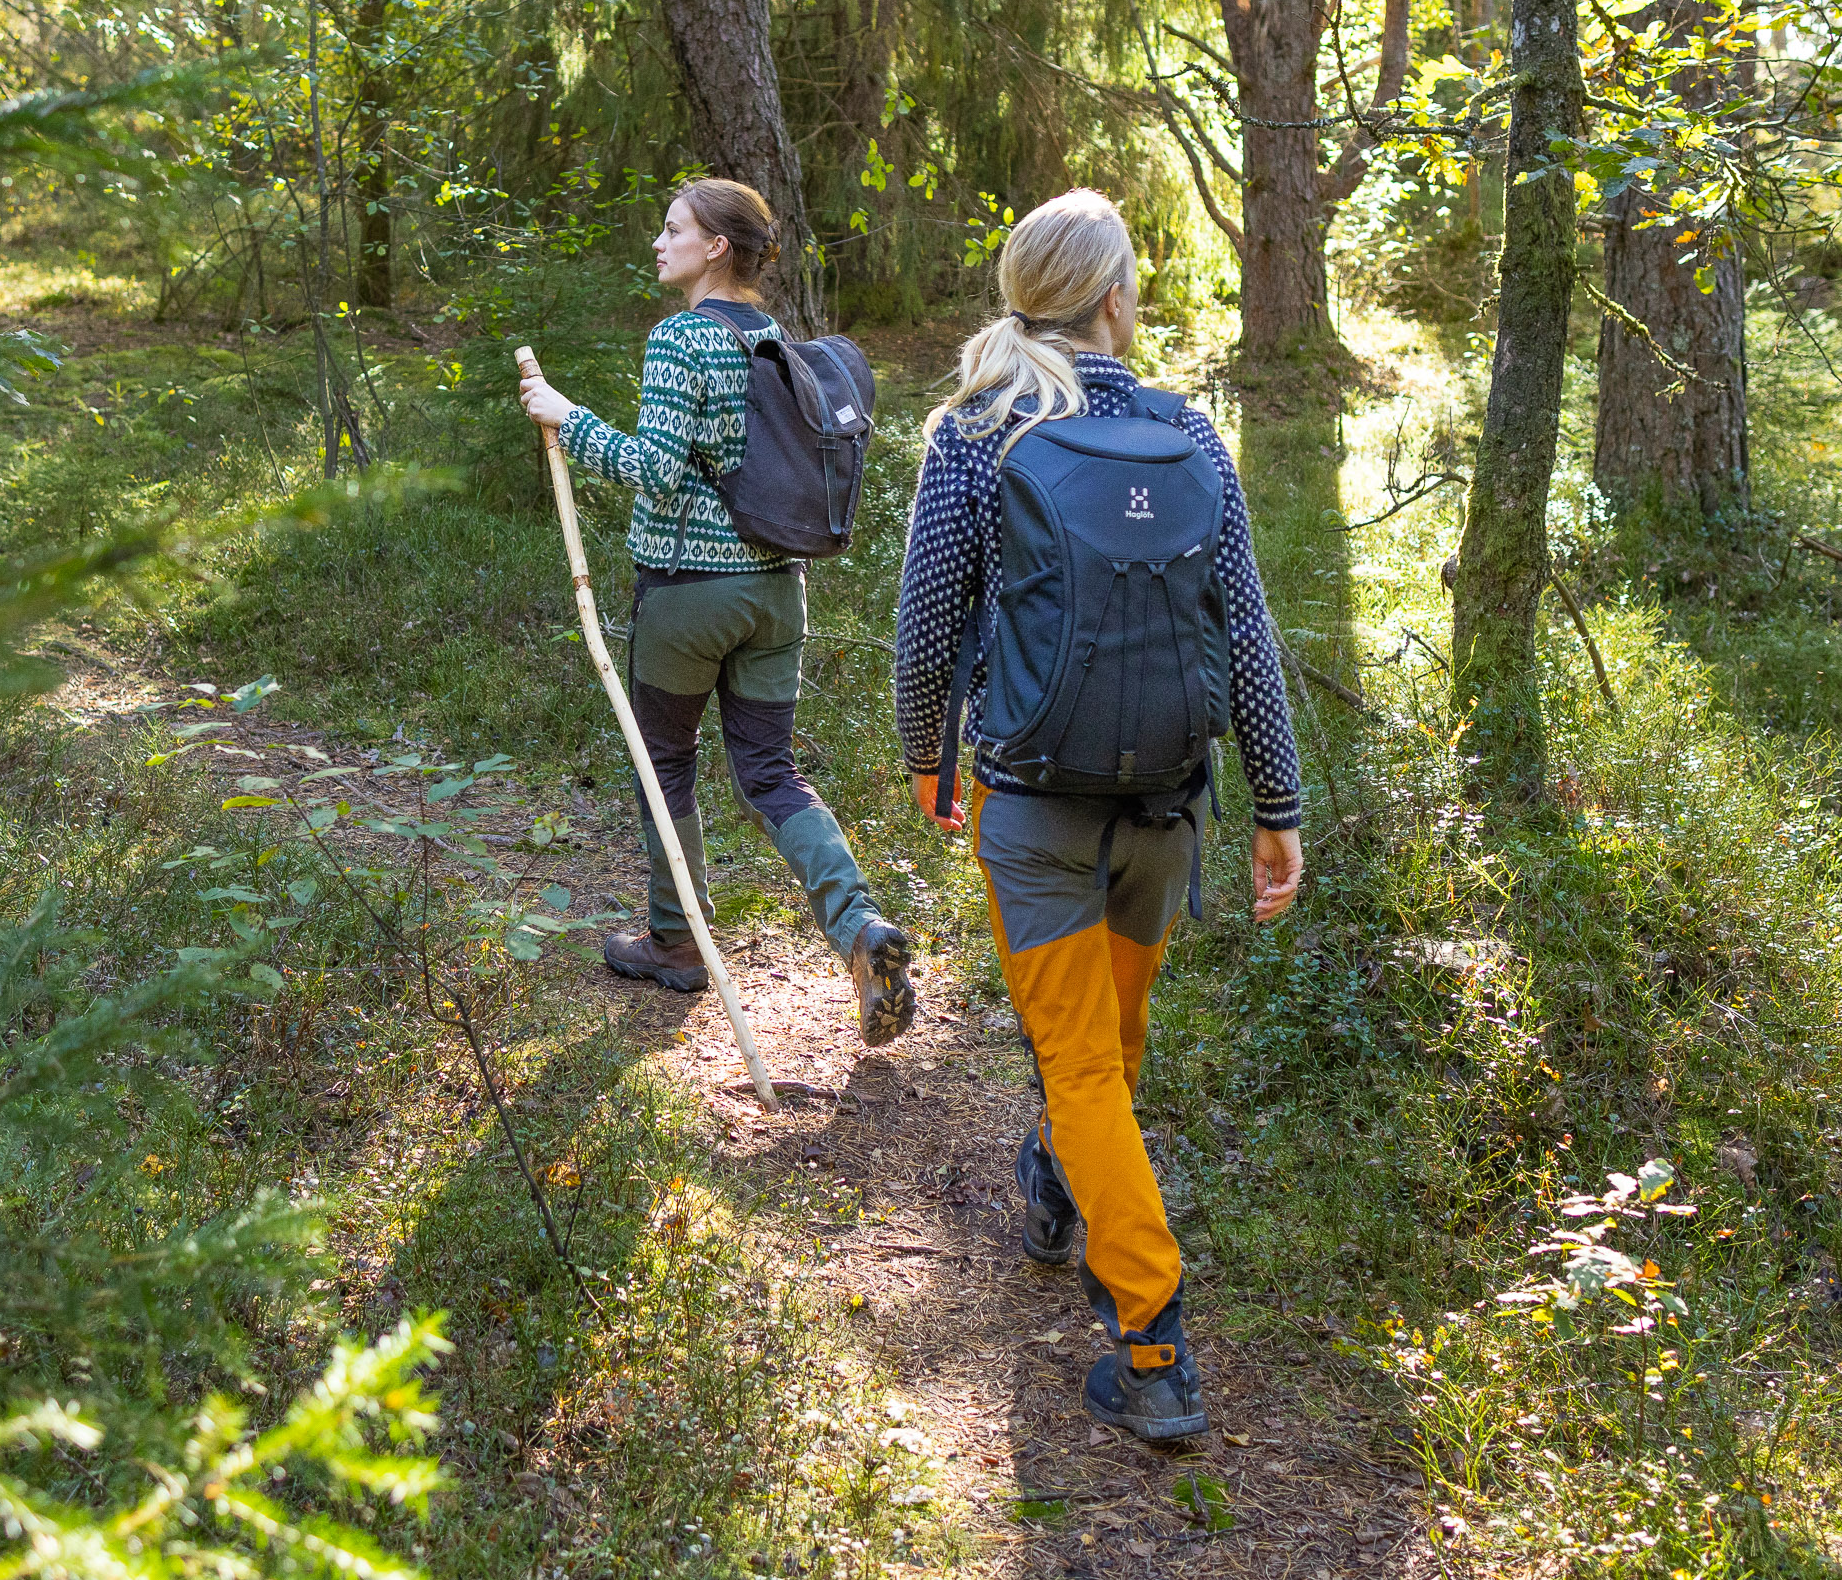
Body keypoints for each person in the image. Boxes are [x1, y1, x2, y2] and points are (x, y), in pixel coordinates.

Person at [890, 189, 1305, 1441]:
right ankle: (1060, 1179)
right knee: (1105, 1058)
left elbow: (926, 623)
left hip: (1032, 808)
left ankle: (1152, 1347)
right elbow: (1245, 630)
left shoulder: (977, 431)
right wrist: (1275, 805)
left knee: (1082, 1067)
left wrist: (922, 758)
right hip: (1165, 813)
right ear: (1117, 300)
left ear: (1022, 294)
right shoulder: (1187, 432)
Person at [518, 179, 920, 1046]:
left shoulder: (681, 338)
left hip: (688, 594)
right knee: (770, 771)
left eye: (674, 230)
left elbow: (655, 470)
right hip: (777, 592)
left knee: (664, 760)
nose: (658, 242)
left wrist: (567, 416)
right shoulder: (775, 340)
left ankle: (676, 943)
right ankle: (860, 929)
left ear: (717, 247)